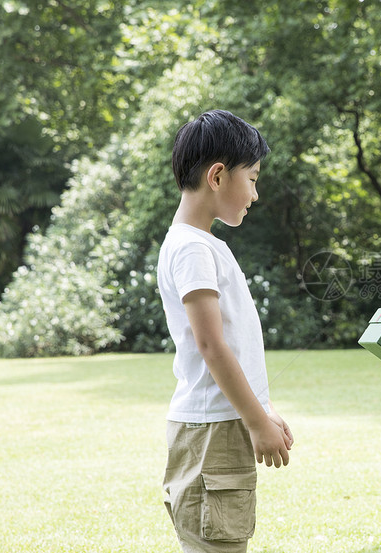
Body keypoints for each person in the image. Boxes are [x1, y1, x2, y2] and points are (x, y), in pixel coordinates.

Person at [157, 109, 293, 553]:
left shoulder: (201, 244)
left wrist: (261, 409)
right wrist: (255, 420)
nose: (255, 193)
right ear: (217, 176)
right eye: (252, 179)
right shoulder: (193, 248)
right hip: (212, 430)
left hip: (220, 423)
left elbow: (230, 343)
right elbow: (212, 346)